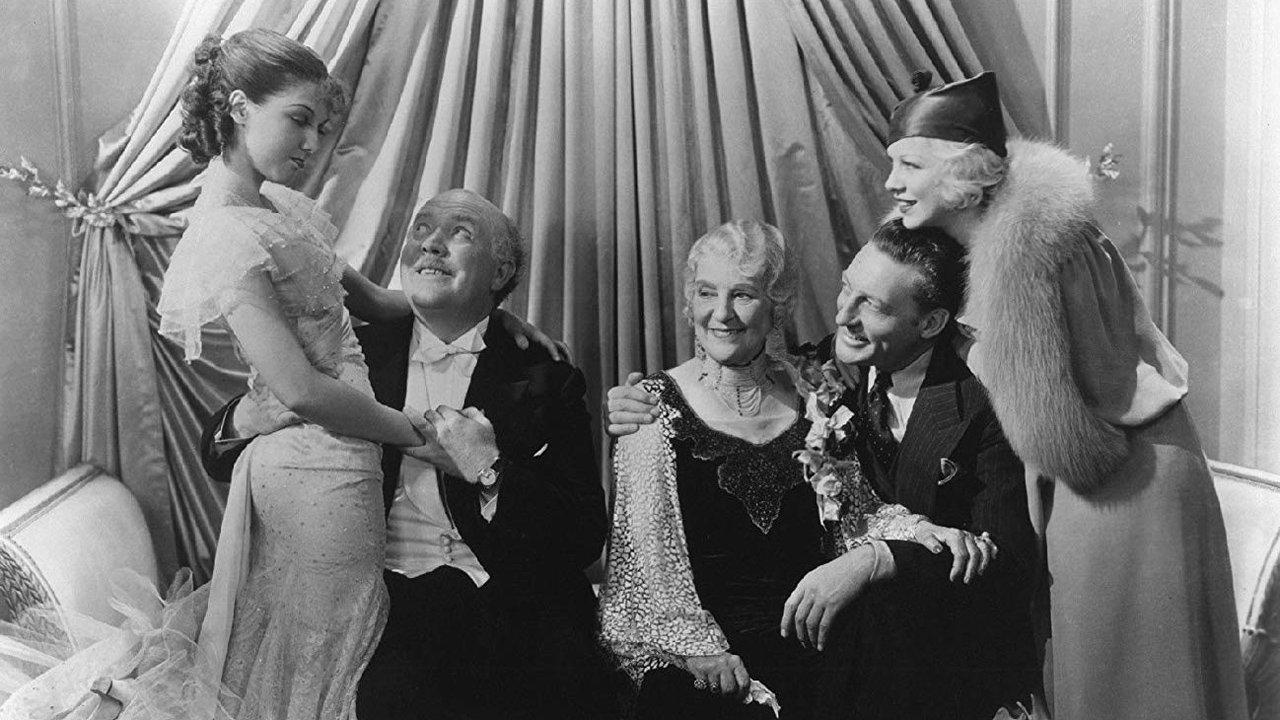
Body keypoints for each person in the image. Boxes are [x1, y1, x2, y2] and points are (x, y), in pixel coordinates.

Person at [874, 71, 1246, 719]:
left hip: (1122, 483)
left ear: (963, 177)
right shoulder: (995, 241)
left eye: (909, 165)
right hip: (1109, 469)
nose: (890, 183)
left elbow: (1058, 432)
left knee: (1127, 688)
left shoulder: (1034, 253)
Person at [205, 188, 611, 720]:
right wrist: (245, 418)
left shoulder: (546, 375)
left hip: (513, 616)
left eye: (459, 233)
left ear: (500, 271)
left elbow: (583, 536)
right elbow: (218, 456)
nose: (431, 245)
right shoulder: (350, 355)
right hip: (383, 608)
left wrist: (490, 472)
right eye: (421, 229)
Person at [597, 220, 980, 720]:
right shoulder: (649, 406)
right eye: (707, 293)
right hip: (706, 652)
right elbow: (647, 568)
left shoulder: (815, 392)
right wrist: (699, 651)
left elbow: (856, 516)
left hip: (815, 634)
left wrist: (925, 533)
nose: (721, 314)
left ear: (776, 306)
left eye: (743, 295)